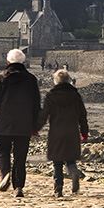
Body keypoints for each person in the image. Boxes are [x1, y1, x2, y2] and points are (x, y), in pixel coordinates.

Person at [0, 48, 41, 197]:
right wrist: (35, 125)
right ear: (23, 61)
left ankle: (5, 174)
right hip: (24, 124)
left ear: (8, 61)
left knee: (2, 151)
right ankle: (19, 187)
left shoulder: (0, 78)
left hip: (3, 123)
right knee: (20, 156)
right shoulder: (31, 79)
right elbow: (36, 105)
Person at [37, 69, 89, 197]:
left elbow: (44, 115)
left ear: (55, 81)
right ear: (69, 80)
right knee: (70, 160)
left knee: (57, 162)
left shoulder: (51, 95)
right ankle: (74, 172)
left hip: (56, 132)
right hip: (72, 131)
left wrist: (35, 128)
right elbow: (83, 115)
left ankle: (58, 189)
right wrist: (84, 132)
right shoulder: (75, 95)